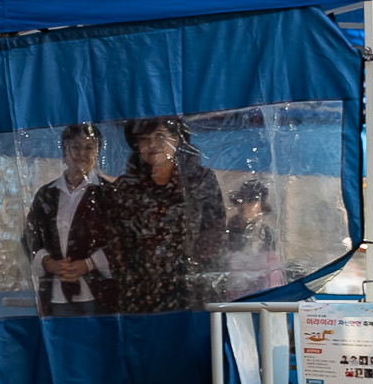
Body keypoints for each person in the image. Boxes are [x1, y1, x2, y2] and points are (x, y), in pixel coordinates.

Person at [104, 116, 225, 313]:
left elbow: (215, 233)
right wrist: (129, 278)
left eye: (160, 136)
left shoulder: (200, 180)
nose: (152, 144)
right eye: (144, 138)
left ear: (178, 138)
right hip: (137, 296)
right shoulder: (124, 186)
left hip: (190, 293)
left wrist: (193, 272)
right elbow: (114, 240)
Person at [22, 124, 115, 316]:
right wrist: (48, 263)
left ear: (97, 153)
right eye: (75, 147)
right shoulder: (46, 194)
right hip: (54, 294)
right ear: (65, 150)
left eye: (89, 147)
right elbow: (30, 236)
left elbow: (123, 240)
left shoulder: (108, 193)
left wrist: (88, 264)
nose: (81, 153)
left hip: (98, 294)